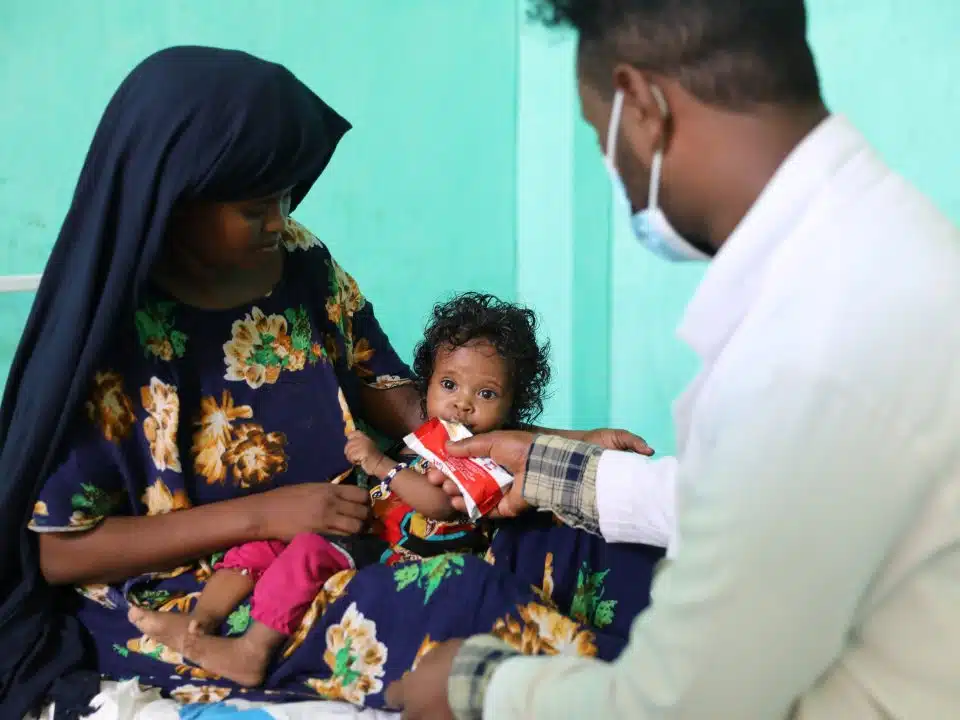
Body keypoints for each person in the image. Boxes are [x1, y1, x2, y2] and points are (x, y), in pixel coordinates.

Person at [0, 47, 664, 718]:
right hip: (218, 588)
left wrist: (550, 444)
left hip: (367, 525)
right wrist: (268, 514)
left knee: (583, 545)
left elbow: (400, 397)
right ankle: (647, 700)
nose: (278, 217)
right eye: (257, 204)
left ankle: (712, 676)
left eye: (286, 196)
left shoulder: (299, 260)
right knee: (463, 599)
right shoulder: (112, 334)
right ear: (175, 198)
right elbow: (61, 552)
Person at [389, 1, 960, 718]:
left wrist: (478, 684)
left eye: (603, 140)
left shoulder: (814, 348)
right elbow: (742, 505)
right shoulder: (887, 249)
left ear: (643, 107)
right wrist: (552, 470)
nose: (618, 176)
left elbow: (675, 706)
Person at [124, 292, 646, 687]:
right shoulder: (429, 435)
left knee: (305, 552)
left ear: (511, 405)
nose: (462, 404)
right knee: (255, 547)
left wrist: (383, 468)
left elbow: (442, 504)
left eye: (484, 394)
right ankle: (203, 621)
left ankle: (253, 651)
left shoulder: (482, 456)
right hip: (364, 524)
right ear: (428, 383)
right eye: (449, 386)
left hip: (393, 553)